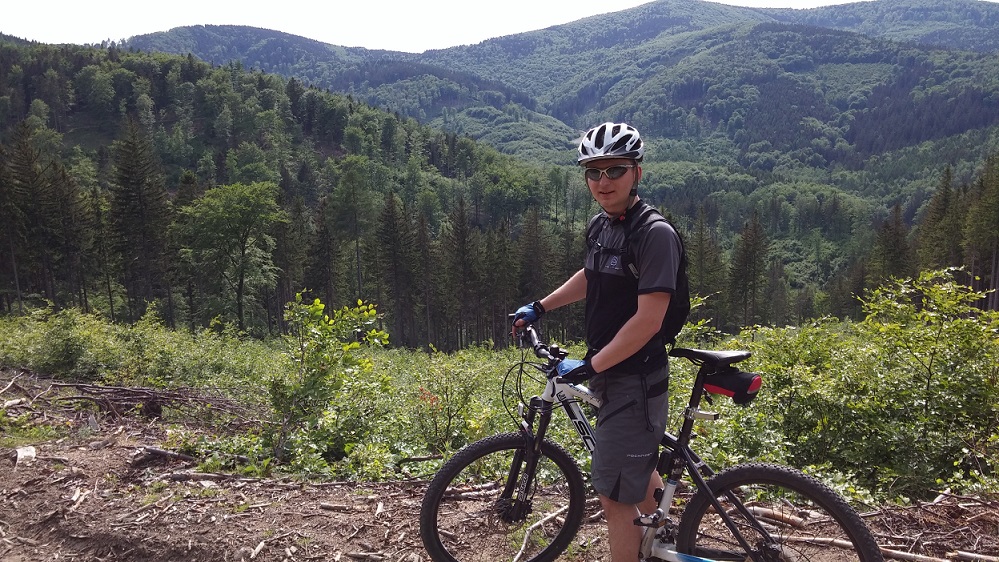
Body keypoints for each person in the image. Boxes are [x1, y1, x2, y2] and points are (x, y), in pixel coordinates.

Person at [512, 122, 683, 562]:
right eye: (594, 172)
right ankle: (667, 538)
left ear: (637, 173)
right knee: (635, 469)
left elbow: (648, 321)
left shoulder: (654, 234)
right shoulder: (602, 225)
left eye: (615, 170)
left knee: (614, 499)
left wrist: (592, 366)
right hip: (614, 373)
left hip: (635, 379)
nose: (603, 181)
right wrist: (541, 306)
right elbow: (591, 275)